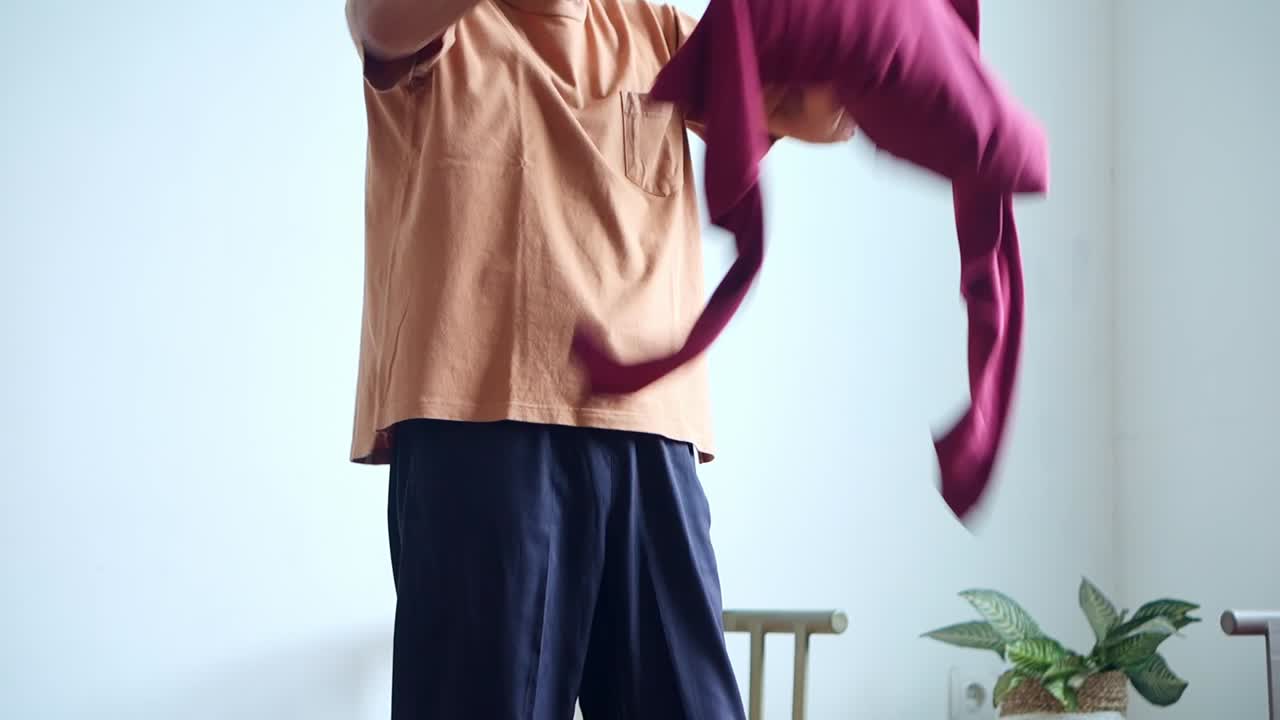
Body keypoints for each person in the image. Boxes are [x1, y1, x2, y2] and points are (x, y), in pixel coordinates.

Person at [343, 1, 853, 717]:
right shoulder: (451, 22)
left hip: (651, 435)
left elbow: (826, 108)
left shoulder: (657, 30)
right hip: (482, 429)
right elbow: (379, 26)